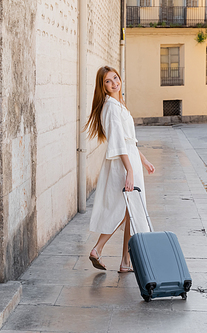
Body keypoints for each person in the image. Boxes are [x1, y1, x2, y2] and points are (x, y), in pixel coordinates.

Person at [84, 66, 155, 273]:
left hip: (129, 159)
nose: (114, 83)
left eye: (116, 78)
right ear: (102, 86)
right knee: (125, 210)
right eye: (108, 81)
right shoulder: (112, 108)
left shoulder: (118, 105)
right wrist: (130, 170)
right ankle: (98, 249)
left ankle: (125, 262)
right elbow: (118, 142)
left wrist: (143, 160)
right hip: (123, 164)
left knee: (129, 212)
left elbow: (128, 140)